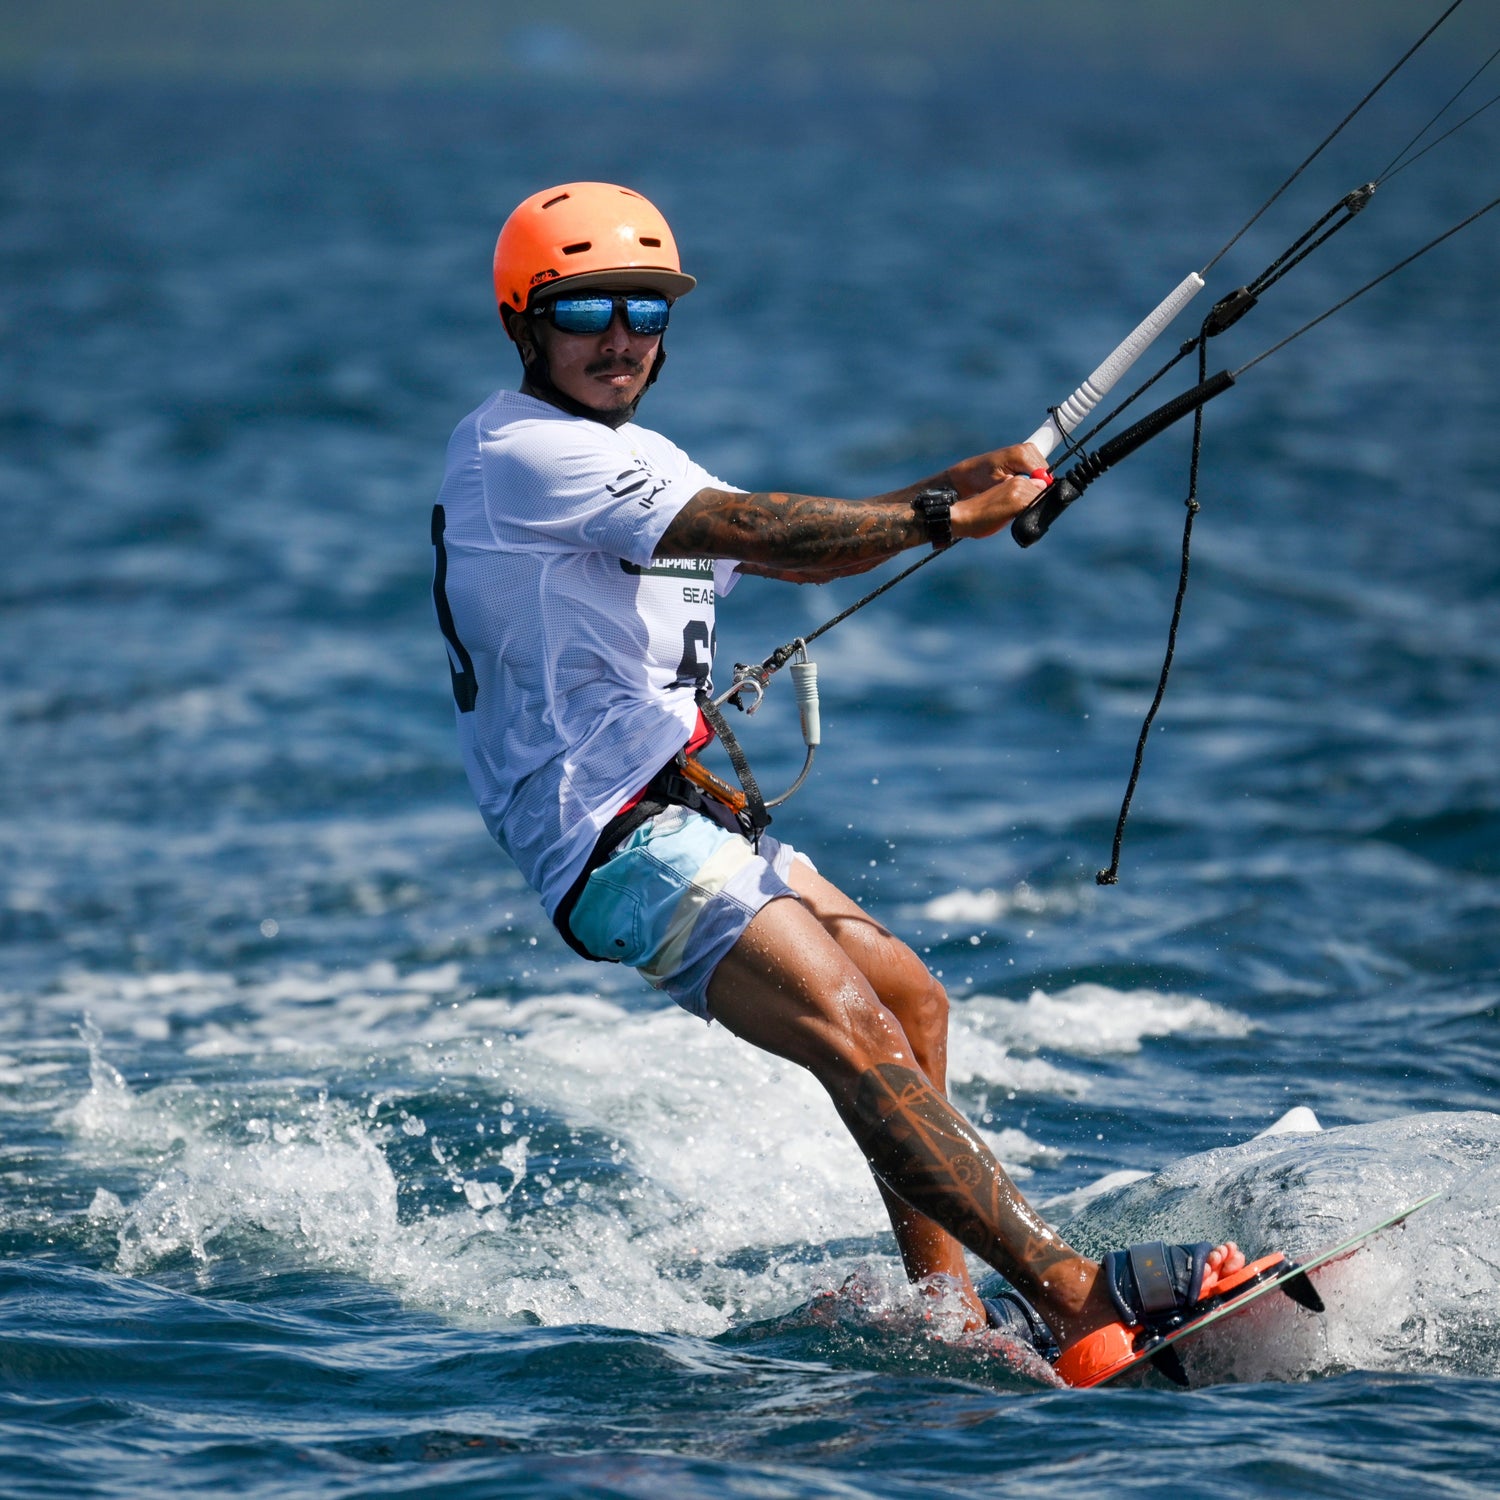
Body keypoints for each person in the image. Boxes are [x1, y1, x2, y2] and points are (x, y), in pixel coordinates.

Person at [433, 181, 1253, 1385]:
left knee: (913, 1006)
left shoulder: (628, 457)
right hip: (607, 838)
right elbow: (765, 530)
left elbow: (769, 540)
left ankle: (953, 1316)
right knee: (851, 1029)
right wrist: (938, 517)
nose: (620, 338)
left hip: (682, 814)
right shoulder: (522, 451)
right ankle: (1077, 1294)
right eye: (587, 309)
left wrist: (952, 484)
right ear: (525, 325)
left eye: (645, 312)